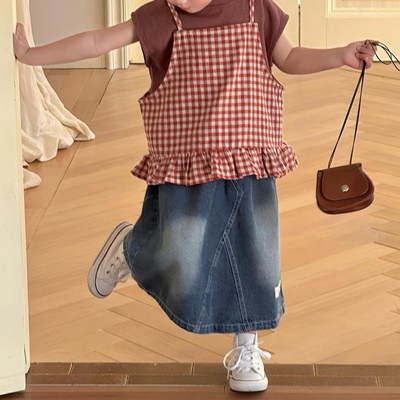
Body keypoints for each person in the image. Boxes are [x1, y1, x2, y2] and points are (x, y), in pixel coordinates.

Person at [13, 0, 376, 393]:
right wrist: (32, 56)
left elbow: (288, 57)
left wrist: (340, 55)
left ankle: (247, 347)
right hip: (186, 167)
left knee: (256, 259)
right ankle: (132, 248)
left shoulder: (255, 9)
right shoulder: (160, 17)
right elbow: (98, 42)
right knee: (180, 252)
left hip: (249, 162)